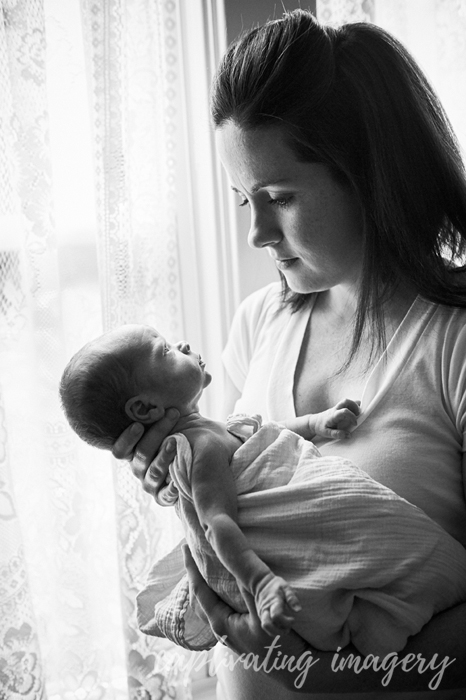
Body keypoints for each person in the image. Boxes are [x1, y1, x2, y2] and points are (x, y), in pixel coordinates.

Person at [111, 9, 466, 698]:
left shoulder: (451, 341)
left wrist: (335, 678)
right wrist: (181, 470)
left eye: (278, 198)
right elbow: (261, 513)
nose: (256, 234)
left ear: (368, 174)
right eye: (244, 198)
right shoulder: (261, 322)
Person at [59, 323, 360, 634]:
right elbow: (215, 523)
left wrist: (316, 422)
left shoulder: (209, 433)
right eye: (165, 351)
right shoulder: (202, 447)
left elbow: (264, 439)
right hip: (270, 598)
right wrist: (262, 583)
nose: (183, 344)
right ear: (145, 407)